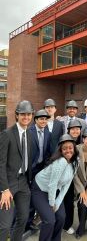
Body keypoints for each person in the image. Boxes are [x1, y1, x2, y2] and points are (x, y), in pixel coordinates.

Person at [31, 133, 79, 241]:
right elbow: (52, 184)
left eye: (70, 148)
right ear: (61, 150)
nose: (68, 151)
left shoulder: (75, 162)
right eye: (64, 149)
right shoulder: (60, 162)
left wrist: (58, 202)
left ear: (74, 148)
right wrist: (52, 203)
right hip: (40, 189)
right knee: (49, 220)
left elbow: (67, 184)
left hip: (53, 190)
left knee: (61, 217)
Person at [0, 100, 34, 241]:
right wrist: (4, 189)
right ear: (17, 115)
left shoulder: (30, 134)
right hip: (9, 183)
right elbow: (0, 163)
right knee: (5, 225)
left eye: (29, 114)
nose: (26, 117)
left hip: (23, 181)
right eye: (23, 114)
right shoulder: (7, 134)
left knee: (23, 218)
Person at [26, 109, 52, 231]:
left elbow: (47, 152)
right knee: (29, 195)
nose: (43, 121)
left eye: (45, 119)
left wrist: (46, 166)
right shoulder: (28, 132)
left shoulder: (47, 132)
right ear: (35, 120)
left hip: (41, 169)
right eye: (41, 119)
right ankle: (26, 223)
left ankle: (33, 220)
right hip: (29, 170)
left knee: (38, 194)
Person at [62, 119, 82, 234]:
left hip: (76, 176)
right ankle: (66, 224)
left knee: (71, 202)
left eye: (77, 129)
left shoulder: (80, 141)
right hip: (65, 177)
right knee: (66, 201)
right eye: (73, 129)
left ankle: (68, 223)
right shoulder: (64, 140)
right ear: (68, 130)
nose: (75, 131)